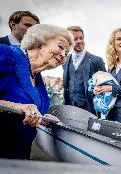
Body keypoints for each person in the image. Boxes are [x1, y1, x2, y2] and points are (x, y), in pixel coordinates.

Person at [0, 24, 74, 159]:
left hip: (19, 159)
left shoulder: (39, 80)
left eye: (67, 53)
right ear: (40, 42)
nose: (63, 55)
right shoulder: (5, 54)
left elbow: (29, 114)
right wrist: (17, 107)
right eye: (61, 47)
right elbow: (21, 106)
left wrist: (44, 118)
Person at [63, 26, 106, 116]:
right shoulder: (65, 60)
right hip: (69, 109)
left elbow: (106, 85)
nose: (79, 41)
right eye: (75, 39)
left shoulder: (96, 60)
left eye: (81, 38)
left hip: (90, 110)